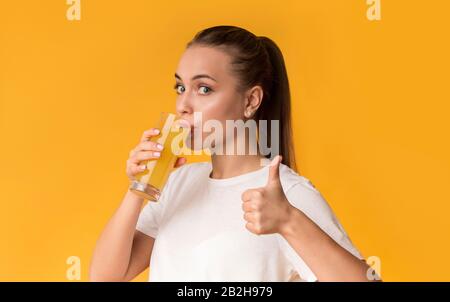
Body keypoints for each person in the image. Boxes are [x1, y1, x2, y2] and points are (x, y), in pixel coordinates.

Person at [90, 25, 374, 282]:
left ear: (250, 100)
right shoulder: (178, 183)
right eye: (180, 87)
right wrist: (138, 188)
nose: (183, 105)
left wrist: (289, 220)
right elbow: (105, 277)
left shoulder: (286, 193)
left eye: (203, 88)